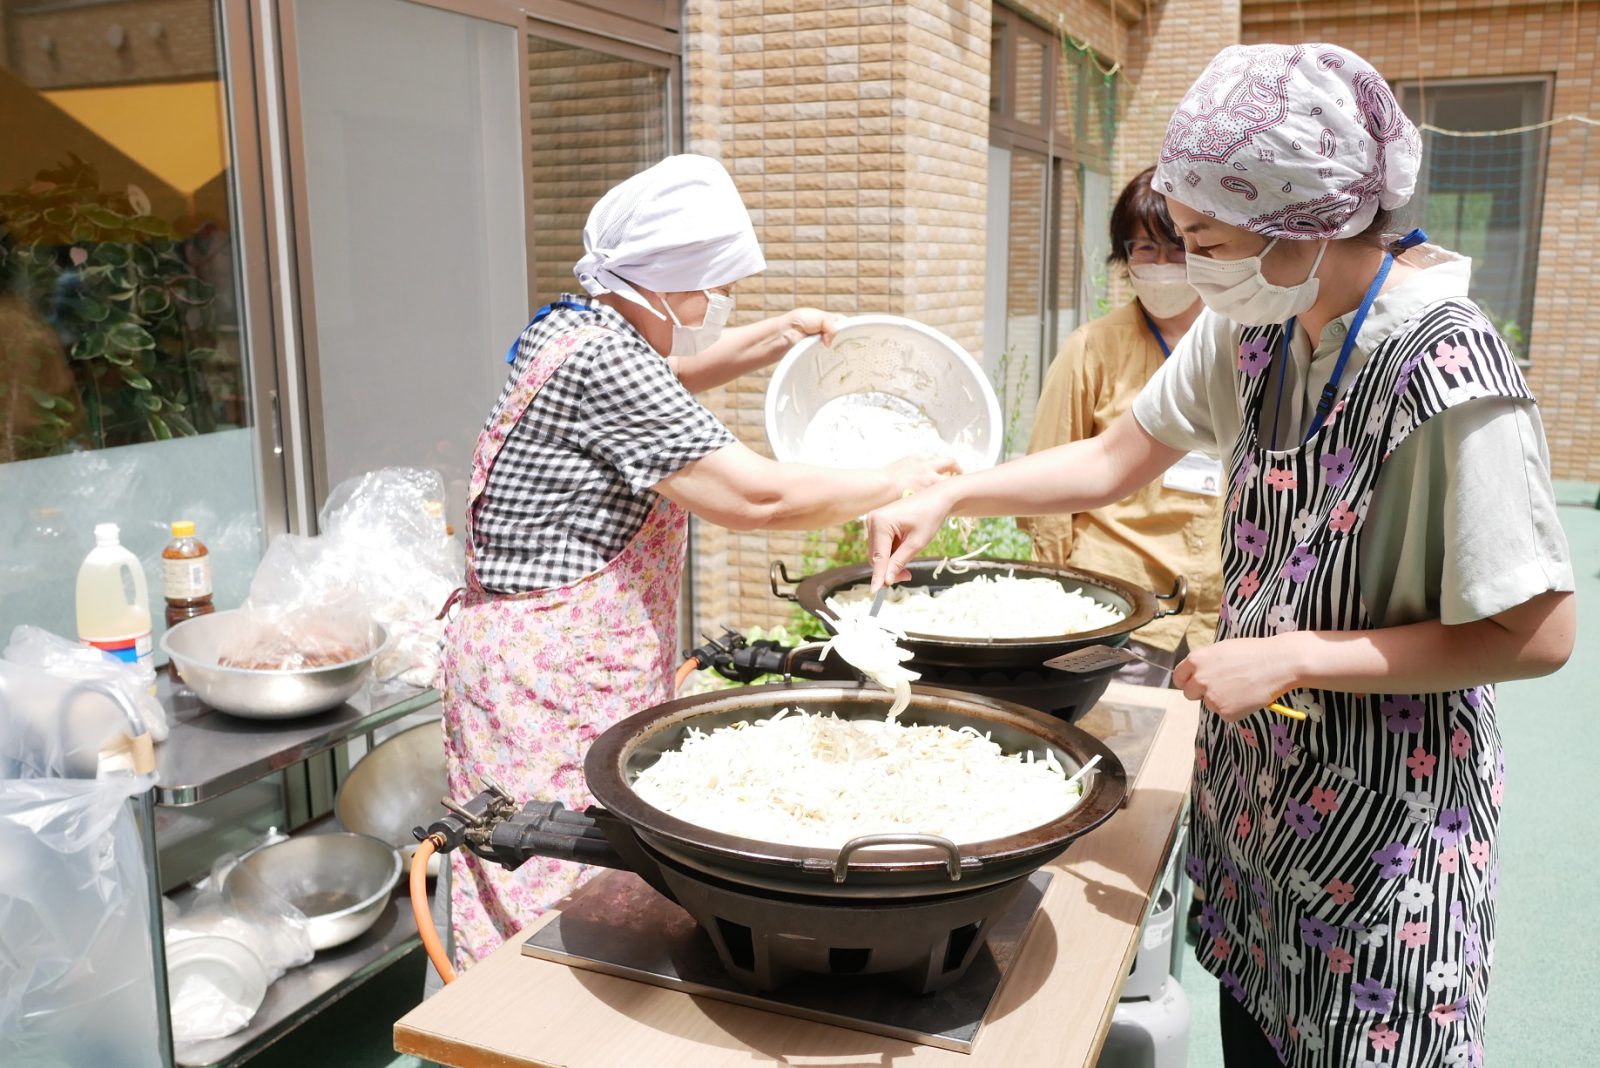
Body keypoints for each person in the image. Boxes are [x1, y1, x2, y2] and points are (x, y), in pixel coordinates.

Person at [865, 44, 1575, 1066]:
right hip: (1256, 807)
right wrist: (954, 489)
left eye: (1203, 238)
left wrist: (1297, 655)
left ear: (1305, 221)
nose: (1190, 265)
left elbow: (1539, 632)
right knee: (1252, 1024)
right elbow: (1117, 456)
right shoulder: (1260, 324)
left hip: (1381, 839)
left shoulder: (1447, 368)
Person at [436, 154, 956, 969]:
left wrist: (778, 334)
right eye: (712, 287)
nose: (719, 304)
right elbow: (756, 500)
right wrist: (899, 477)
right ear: (665, 284)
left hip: (550, 651)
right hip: (548, 670)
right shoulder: (604, 362)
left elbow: (669, 373)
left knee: (579, 868)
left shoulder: (575, 325)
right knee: (553, 882)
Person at [1023, 166, 1222, 687]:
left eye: (1177, 248)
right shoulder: (1092, 348)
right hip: (1117, 605)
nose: (1161, 264)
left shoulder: (1246, 346)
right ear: (1124, 257)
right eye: (1144, 249)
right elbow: (1046, 488)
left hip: (1224, 614)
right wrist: (1053, 601)